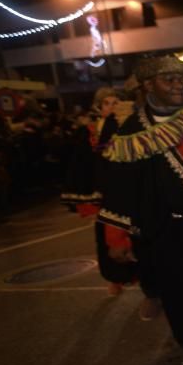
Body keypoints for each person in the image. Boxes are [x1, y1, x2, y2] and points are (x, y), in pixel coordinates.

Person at [98, 55, 183, 365]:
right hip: (167, 231)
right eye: (169, 80)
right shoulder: (134, 131)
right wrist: (117, 237)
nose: (179, 85)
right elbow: (120, 188)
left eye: (182, 79)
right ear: (148, 86)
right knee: (182, 295)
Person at [61, 87, 138, 295]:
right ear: (99, 106)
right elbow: (81, 164)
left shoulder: (130, 126)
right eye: (107, 103)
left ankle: (138, 276)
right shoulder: (90, 131)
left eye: (115, 102)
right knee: (105, 237)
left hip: (127, 189)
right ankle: (115, 278)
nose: (112, 107)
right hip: (102, 192)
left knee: (133, 232)